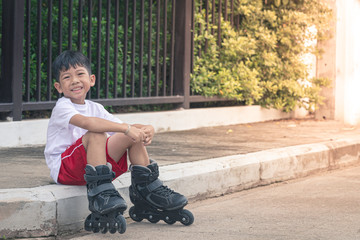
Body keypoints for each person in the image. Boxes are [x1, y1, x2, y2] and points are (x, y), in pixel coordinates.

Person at [44, 50, 192, 234]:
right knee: (96, 133)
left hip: (91, 166)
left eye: (80, 74)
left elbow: (122, 127)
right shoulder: (63, 107)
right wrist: (126, 129)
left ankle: (146, 191)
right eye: (67, 77)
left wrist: (145, 128)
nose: (74, 80)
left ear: (91, 79)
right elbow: (89, 123)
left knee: (132, 134)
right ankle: (101, 195)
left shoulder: (95, 107)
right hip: (65, 169)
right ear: (59, 87)